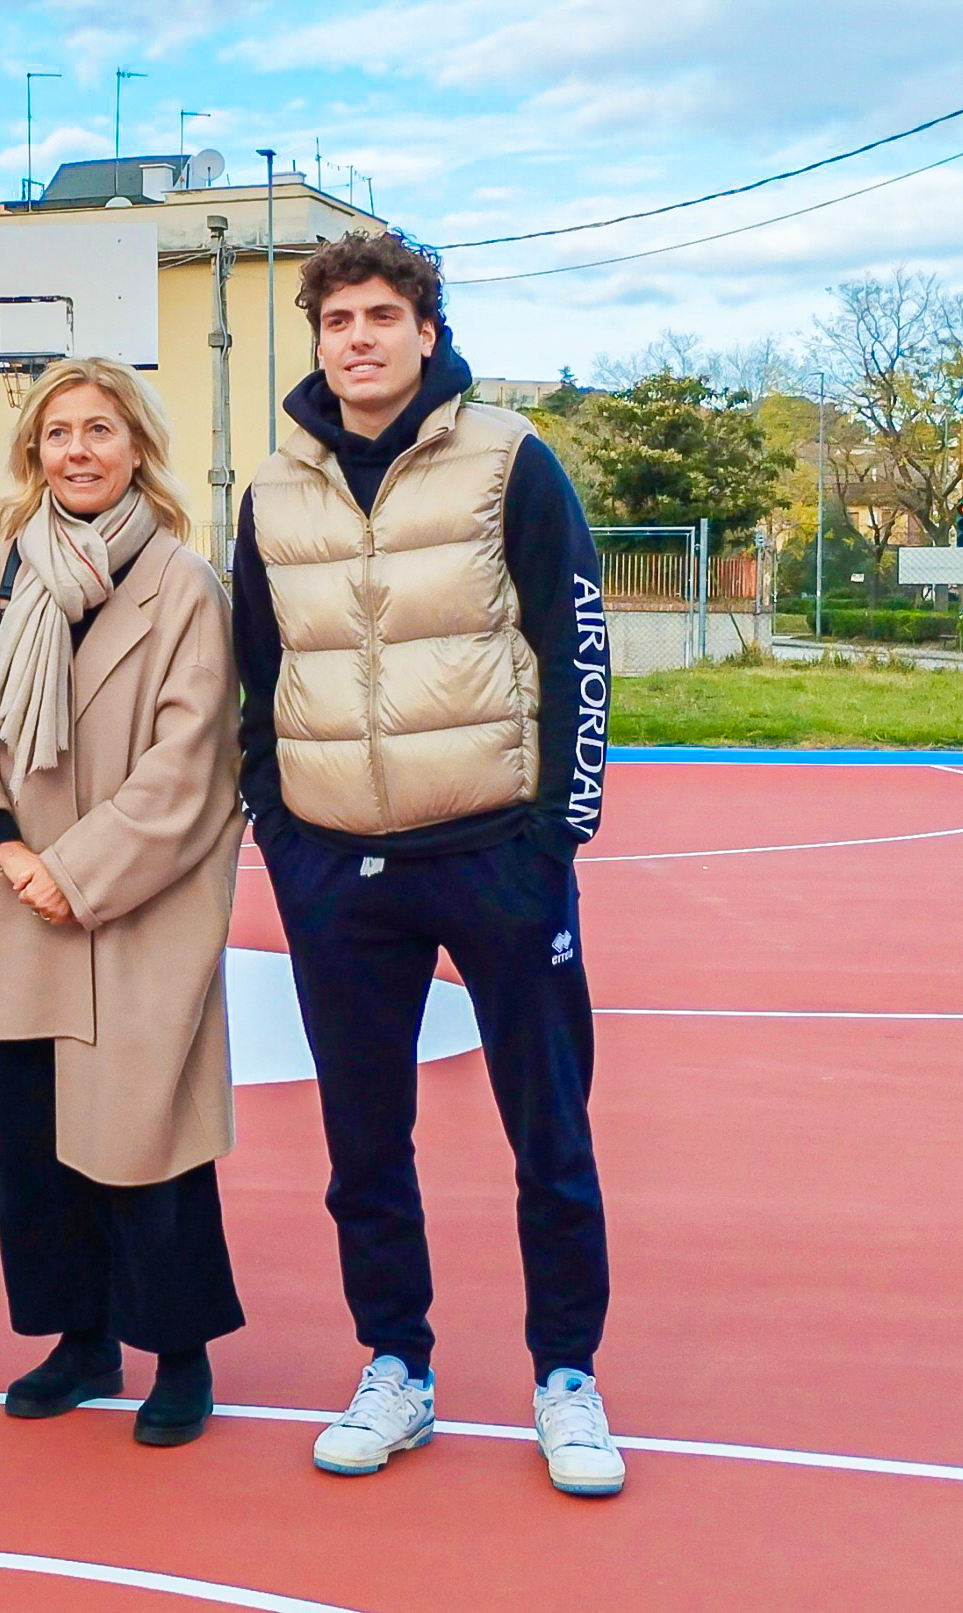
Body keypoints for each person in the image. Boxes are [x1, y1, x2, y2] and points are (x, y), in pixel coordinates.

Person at [233, 231, 624, 1496]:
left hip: (493, 853)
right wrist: (278, 826)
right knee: (362, 1141)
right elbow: (254, 669)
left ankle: (565, 1373)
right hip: (336, 868)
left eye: (379, 315)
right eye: (336, 318)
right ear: (318, 339)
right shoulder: (270, 490)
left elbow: (574, 637)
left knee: (546, 1127)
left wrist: (555, 829)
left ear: (423, 328)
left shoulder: (508, 458)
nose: (356, 337)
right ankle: (393, 1364)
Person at [0, 358, 246, 1448]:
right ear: (34, 452)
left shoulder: (183, 587)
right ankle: (79, 1337)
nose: (77, 448)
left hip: (136, 904)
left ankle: (179, 1351)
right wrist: (13, 850)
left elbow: (190, 762)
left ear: (135, 448)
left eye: (98, 429)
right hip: (20, 898)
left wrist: (73, 870)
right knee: (35, 1139)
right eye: (57, 431)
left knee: (147, 1134)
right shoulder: (5, 578)